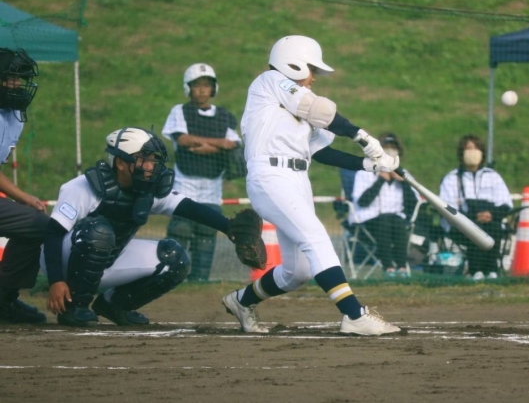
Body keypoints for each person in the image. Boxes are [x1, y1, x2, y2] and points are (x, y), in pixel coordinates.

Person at [221, 35, 401, 336]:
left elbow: (321, 152)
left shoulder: (300, 109)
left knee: (298, 272)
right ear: (292, 63)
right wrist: (362, 136)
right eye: (312, 69)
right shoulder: (269, 81)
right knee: (316, 238)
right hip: (270, 176)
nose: (314, 77)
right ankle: (354, 315)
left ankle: (241, 301)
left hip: (297, 180)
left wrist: (370, 164)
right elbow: (321, 111)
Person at [42, 127, 257, 327]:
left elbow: (189, 208)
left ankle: (114, 304)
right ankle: (73, 307)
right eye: (144, 159)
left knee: (174, 258)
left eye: (153, 160)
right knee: (99, 232)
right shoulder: (82, 187)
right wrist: (56, 280)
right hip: (65, 261)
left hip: (107, 258)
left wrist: (229, 227)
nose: (150, 166)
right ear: (120, 163)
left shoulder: (147, 189)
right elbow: (52, 233)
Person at [162, 63, 243, 281]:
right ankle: (170, 277)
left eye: (206, 85)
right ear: (188, 88)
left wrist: (207, 147)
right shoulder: (180, 111)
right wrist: (218, 144)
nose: (202, 90)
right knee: (180, 229)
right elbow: (182, 139)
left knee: (206, 233)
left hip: (212, 185)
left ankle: (200, 280)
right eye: (197, 85)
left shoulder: (224, 116)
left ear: (213, 88)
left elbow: (234, 143)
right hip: (184, 183)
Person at [0, 48, 49, 324]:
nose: (19, 85)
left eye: (21, 78)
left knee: (37, 224)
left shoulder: (12, 115)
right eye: (12, 78)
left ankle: (4, 300)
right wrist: (23, 196)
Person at [439, 134, 512, 281]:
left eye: (476, 149)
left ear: (482, 152)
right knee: (474, 228)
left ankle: (491, 270)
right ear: (462, 153)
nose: (472, 152)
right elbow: (447, 207)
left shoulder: (492, 176)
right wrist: (472, 217)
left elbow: (506, 204)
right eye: (468, 149)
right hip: (461, 225)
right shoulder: (451, 178)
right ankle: (476, 270)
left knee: (492, 227)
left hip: (491, 221)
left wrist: (491, 214)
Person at [350, 132, 418, 277]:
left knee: (397, 221)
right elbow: (362, 202)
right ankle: (388, 267)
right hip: (368, 220)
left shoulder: (404, 174)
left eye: (393, 148)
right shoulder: (364, 172)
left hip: (396, 221)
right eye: (386, 147)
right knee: (385, 221)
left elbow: (413, 204)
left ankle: (402, 267)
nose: (390, 151)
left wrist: (404, 183)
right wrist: (381, 180)